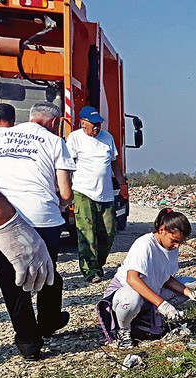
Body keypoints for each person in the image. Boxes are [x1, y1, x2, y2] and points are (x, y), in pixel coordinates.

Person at [0, 101, 74, 360]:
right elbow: (65, 193)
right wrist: (59, 203)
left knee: (11, 282)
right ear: (53, 122)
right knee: (45, 272)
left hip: (1, 218)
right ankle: (49, 322)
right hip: (41, 217)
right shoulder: (54, 142)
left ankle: (27, 341)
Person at [102, 208, 196, 348]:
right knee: (131, 300)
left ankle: (143, 319)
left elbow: (166, 277)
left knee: (191, 284)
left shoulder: (171, 248)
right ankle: (124, 330)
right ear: (162, 230)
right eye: (174, 240)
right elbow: (132, 279)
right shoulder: (145, 244)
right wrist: (162, 304)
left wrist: (188, 292)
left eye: (180, 243)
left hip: (150, 291)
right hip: (126, 291)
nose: (177, 246)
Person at [67, 106, 128, 283]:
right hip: (83, 192)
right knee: (87, 233)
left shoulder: (107, 138)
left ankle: (98, 264)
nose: (97, 128)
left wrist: (122, 183)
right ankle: (90, 270)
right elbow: (68, 165)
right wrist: (67, 189)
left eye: (99, 124)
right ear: (82, 122)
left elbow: (115, 163)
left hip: (106, 193)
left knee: (108, 232)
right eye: (93, 124)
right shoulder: (75, 138)